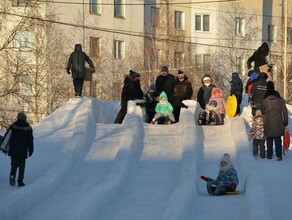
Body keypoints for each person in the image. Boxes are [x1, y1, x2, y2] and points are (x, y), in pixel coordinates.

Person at [4, 112, 34, 187]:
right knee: (22, 166)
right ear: (25, 118)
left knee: (14, 164)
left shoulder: (13, 126)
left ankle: (12, 176)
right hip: (23, 150)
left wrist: (4, 146)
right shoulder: (28, 128)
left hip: (13, 149)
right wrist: (31, 150)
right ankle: (20, 182)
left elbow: (7, 135)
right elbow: (30, 140)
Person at [263, 81, 288, 161]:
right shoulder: (280, 99)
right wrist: (285, 121)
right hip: (278, 122)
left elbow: (263, 110)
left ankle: (269, 155)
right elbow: (284, 111)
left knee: (269, 139)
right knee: (278, 139)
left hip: (268, 122)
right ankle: (279, 156)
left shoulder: (265, 99)